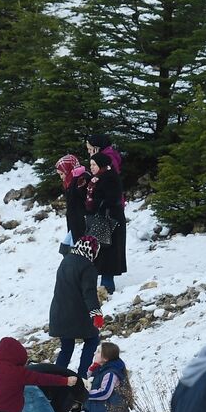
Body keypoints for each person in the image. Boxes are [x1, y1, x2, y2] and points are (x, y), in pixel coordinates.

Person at [49, 235, 105, 377]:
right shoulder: (87, 267)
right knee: (92, 340)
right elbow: (89, 292)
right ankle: (82, 376)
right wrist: (96, 313)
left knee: (66, 347)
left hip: (59, 313)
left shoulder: (66, 260)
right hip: (77, 315)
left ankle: (57, 378)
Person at [85, 152, 127, 293]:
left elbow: (112, 199)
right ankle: (104, 285)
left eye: (94, 165)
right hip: (103, 220)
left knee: (108, 252)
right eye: (90, 164)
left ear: (101, 165)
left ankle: (107, 286)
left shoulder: (109, 178)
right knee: (102, 252)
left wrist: (96, 204)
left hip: (111, 221)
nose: (91, 167)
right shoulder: (98, 178)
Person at [84, 342, 130, 412]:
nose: (95, 353)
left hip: (109, 411)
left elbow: (104, 393)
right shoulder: (101, 367)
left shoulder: (110, 373)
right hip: (100, 407)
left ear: (105, 358)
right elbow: (92, 381)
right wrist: (91, 369)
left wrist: (85, 394)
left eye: (98, 352)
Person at [55, 154, 87, 250]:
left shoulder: (79, 181)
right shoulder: (68, 182)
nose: (61, 177)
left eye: (62, 174)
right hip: (74, 222)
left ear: (68, 170)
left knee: (72, 250)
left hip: (80, 223)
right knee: (66, 248)